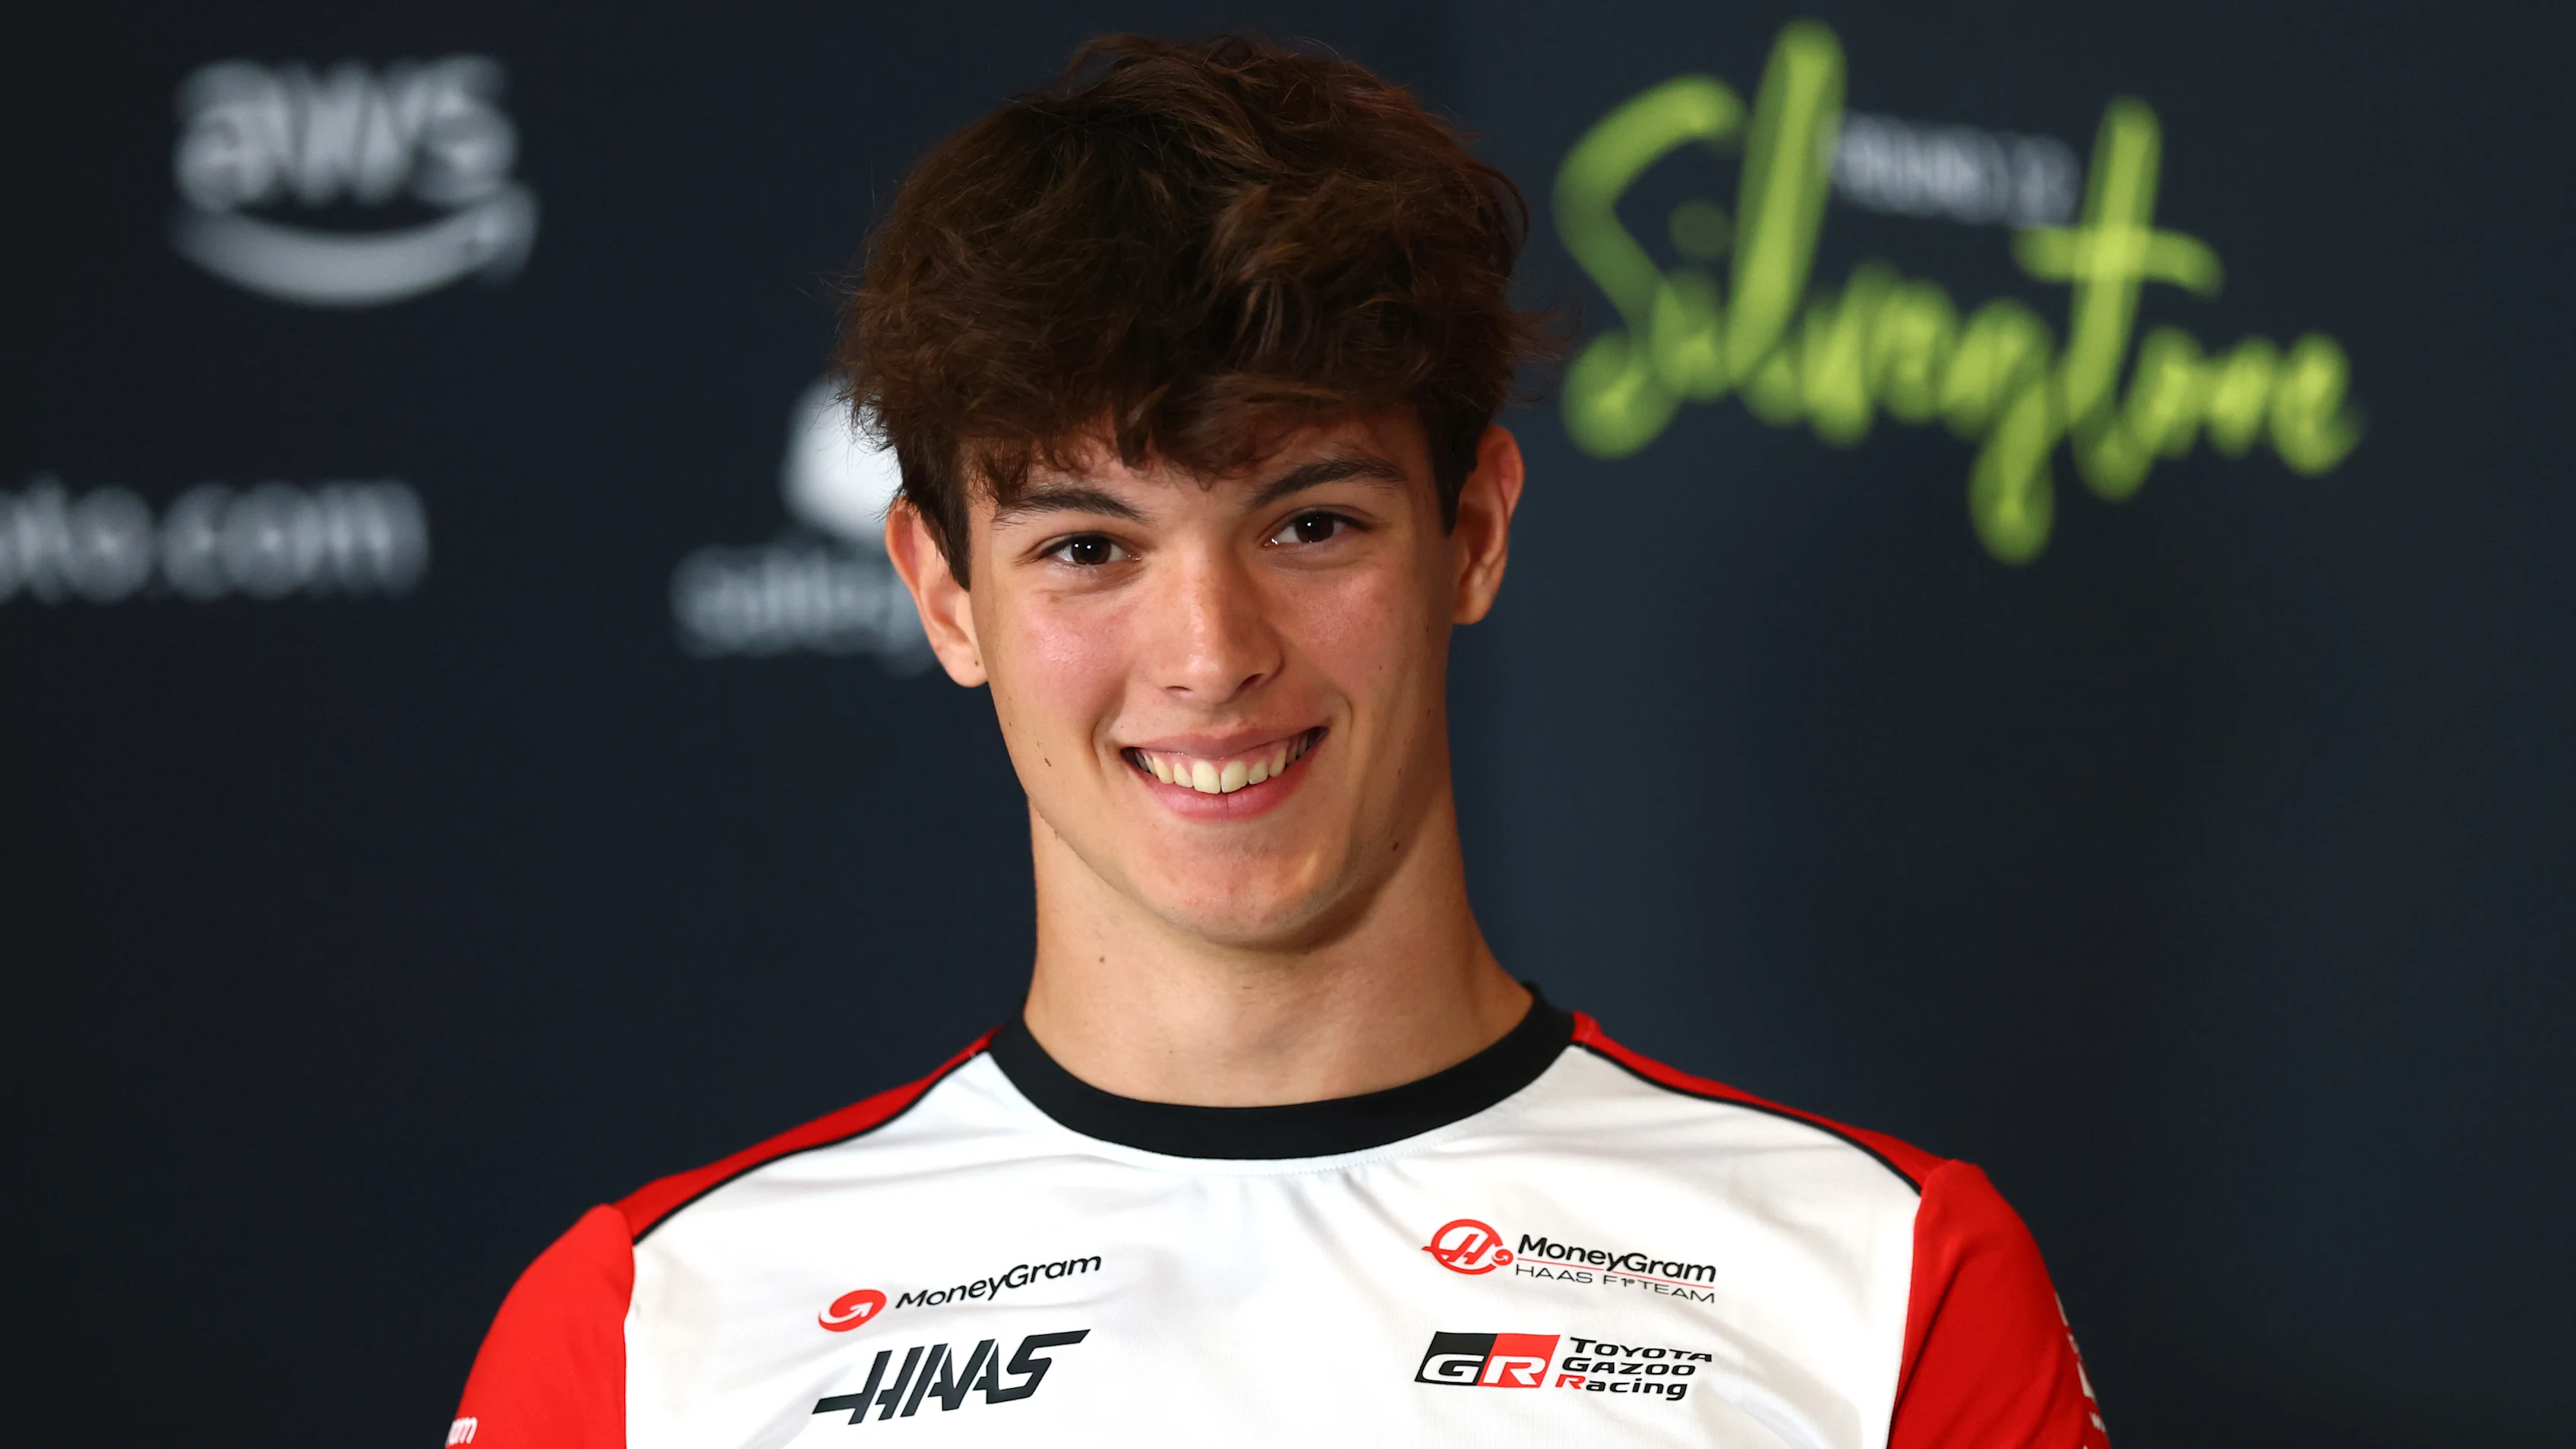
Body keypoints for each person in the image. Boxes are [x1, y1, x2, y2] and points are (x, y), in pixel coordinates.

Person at [450, 34, 2110, 1447]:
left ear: (1470, 531)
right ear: (944, 594)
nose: (1210, 654)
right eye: (1087, 547)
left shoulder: (1886, 1281)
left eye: (1309, 525)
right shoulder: (647, 1333)